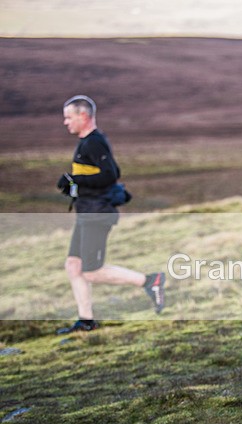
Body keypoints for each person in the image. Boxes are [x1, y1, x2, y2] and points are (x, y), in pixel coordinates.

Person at [56, 95, 165, 334]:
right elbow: (110, 171)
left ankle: (150, 281)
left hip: (97, 214)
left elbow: (109, 176)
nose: (66, 122)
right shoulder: (86, 142)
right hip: (87, 212)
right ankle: (86, 321)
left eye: (68, 117)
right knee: (73, 265)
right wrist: (74, 185)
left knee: (91, 271)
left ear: (83, 116)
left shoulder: (94, 142)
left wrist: (75, 179)